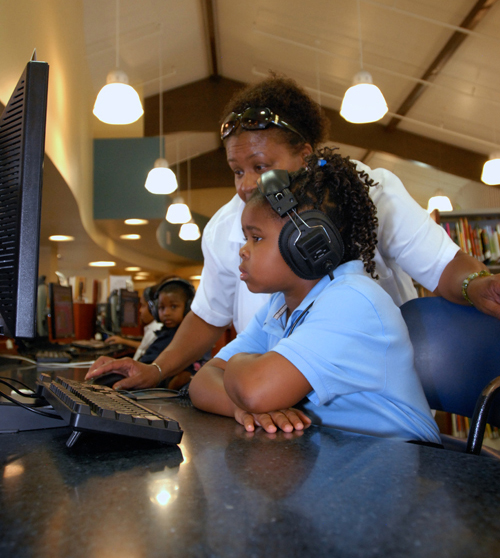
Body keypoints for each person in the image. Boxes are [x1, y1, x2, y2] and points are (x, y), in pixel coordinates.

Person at [86, 74, 500, 401]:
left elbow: (442, 264)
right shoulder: (254, 279)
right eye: (236, 170)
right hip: (279, 401)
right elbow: (210, 315)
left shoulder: (364, 196)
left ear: (305, 154)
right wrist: (157, 370)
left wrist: (476, 285)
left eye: (261, 166)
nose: (247, 185)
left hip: (363, 402)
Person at [189, 148, 442, 444]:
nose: (242, 250)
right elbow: (203, 383)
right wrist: (243, 409)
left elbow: (255, 389)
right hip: (336, 459)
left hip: (403, 465)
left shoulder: (353, 300)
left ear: (307, 242)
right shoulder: (279, 306)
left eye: (256, 238)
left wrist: (238, 370)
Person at [104, 286, 162, 360]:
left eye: (143, 306)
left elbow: (145, 348)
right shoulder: (155, 327)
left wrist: (123, 341)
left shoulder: (155, 329)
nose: (140, 310)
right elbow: (144, 346)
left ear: (153, 308)